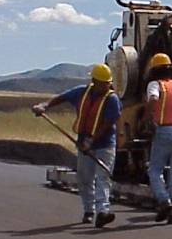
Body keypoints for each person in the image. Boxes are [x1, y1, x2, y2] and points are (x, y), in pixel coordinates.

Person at [33, 63, 122, 228]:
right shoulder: (82, 92)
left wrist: (91, 141)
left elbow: (108, 124)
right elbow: (62, 97)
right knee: (84, 178)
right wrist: (45, 105)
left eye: (108, 82)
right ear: (94, 81)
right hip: (83, 144)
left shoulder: (112, 99)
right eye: (104, 82)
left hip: (105, 145)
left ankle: (103, 211)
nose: (107, 85)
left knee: (103, 177)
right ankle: (89, 210)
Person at [145, 53, 172, 224]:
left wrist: (146, 117)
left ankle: (164, 200)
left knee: (155, 170)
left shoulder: (155, 85)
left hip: (164, 130)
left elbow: (154, 99)